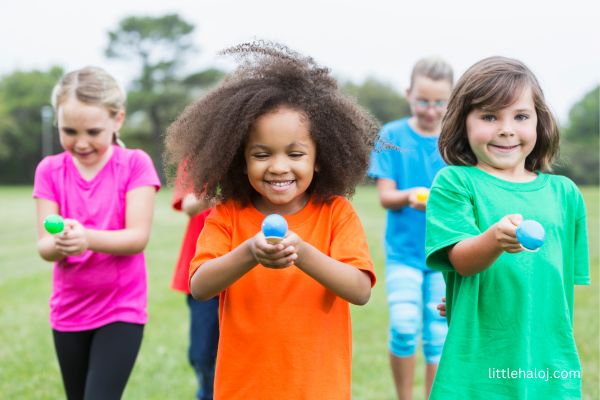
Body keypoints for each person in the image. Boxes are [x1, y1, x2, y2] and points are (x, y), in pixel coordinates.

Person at [164, 41, 379, 400]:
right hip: (242, 389)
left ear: (320, 158)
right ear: (240, 160)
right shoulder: (228, 214)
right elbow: (200, 286)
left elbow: (359, 290)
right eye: (261, 154)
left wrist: (304, 253)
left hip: (318, 389)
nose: (279, 167)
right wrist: (249, 253)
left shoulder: (336, 212)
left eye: (295, 154)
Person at [425, 56, 590, 399]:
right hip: (478, 366)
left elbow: (556, 287)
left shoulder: (565, 195)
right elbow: (462, 261)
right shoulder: (455, 183)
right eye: (489, 116)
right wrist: (493, 241)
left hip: (547, 363)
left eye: (521, 116)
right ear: (463, 122)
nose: (506, 128)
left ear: (539, 122)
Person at [33, 66, 161, 400]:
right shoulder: (49, 170)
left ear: (117, 119)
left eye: (92, 130)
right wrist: (60, 244)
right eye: (69, 131)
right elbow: (44, 247)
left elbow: (137, 237)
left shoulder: (135, 164)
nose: (81, 142)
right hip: (69, 310)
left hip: (121, 308)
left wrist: (87, 238)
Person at [368, 56, 453, 400]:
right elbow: (386, 197)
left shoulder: (455, 139)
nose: (430, 110)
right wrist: (412, 197)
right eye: (423, 100)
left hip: (443, 254)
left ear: (451, 100)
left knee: (437, 336)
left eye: (439, 102)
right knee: (404, 327)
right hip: (403, 254)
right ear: (409, 94)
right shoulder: (392, 135)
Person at [171, 167, 218, 400]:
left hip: (251, 273)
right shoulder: (199, 153)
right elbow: (189, 204)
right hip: (203, 272)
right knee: (202, 354)